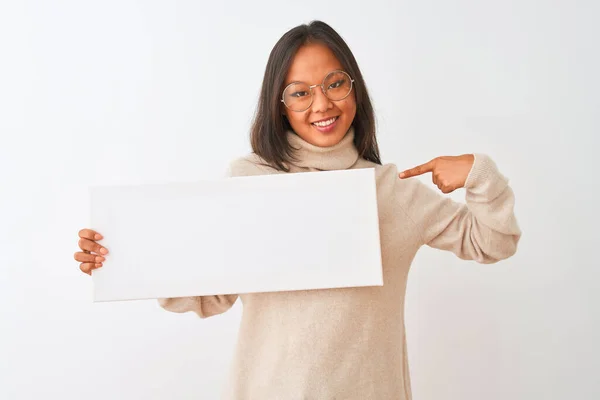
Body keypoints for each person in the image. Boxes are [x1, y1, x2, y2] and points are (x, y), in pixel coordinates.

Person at [74, 20, 521, 400]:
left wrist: (479, 174)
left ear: (355, 88)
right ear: (280, 105)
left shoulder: (392, 192)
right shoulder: (250, 181)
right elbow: (211, 294)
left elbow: (494, 242)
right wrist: (121, 256)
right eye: (300, 92)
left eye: (335, 84)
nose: (322, 104)